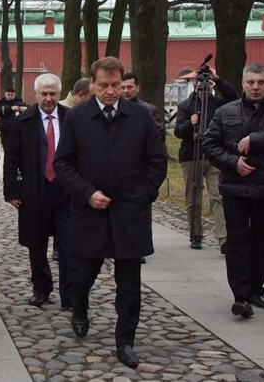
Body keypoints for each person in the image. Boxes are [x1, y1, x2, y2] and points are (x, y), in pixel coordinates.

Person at [53, 56, 167, 369]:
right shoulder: (77, 118)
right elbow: (63, 164)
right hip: (90, 211)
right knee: (84, 274)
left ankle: (125, 339)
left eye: (116, 85)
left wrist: (142, 194)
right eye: (103, 85)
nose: (111, 91)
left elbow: (157, 162)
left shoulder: (141, 116)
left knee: (129, 281)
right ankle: (80, 307)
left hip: (130, 212)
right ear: (92, 84)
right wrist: (87, 193)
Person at [203, 62, 264, 318]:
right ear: (243, 83)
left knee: (262, 241)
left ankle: (256, 289)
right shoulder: (225, 112)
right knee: (237, 242)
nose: (255, 87)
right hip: (235, 187)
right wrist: (233, 162)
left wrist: (256, 139)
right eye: (251, 82)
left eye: (261, 82)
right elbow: (210, 144)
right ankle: (240, 296)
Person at [4, 73, 73, 310]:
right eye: (44, 93)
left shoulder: (71, 119)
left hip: (65, 192)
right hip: (34, 190)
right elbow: (11, 158)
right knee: (37, 244)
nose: (48, 98)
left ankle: (69, 293)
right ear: (36, 95)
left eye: (53, 93)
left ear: (59, 94)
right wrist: (12, 190)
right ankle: (41, 288)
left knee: (68, 244)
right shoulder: (23, 121)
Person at [174, 68, 237, 251]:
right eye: (200, 87)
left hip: (215, 156)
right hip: (191, 156)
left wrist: (217, 79)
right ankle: (196, 235)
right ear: (194, 87)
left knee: (218, 196)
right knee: (194, 197)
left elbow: (233, 96)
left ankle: (224, 238)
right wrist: (190, 123)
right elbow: (178, 131)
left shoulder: (219, 104)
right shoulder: (186, 105)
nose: (203, 91)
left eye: (207, 87)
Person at [120, 73, 166, 143]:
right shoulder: (115, 109)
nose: (126, 91)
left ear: (137, 88)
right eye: (123, 88)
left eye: (129, 87)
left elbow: (160, 136)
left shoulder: (148, 110)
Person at [0, 88, 28, 152]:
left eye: (11, 95)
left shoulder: (19, 102)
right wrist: (10, 109)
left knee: (17, 149)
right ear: (5, 95)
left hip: (17, 130)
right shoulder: (1, 103)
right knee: (7, 149)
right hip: (5, 131)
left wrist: (20, 108)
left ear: (14, 95)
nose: (10, 97)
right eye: (8, 95)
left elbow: (28, 110)